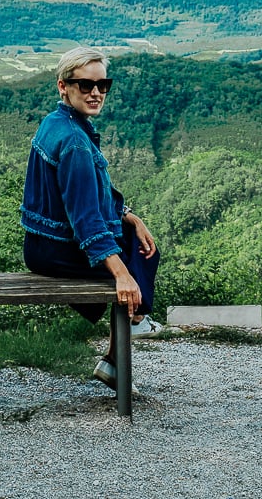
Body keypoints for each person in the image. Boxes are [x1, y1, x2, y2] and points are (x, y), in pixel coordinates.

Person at [20, 46, 162, 390]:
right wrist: (123, 277)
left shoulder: (59, 122)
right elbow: (86, 220)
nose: (96, 92)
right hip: (55, 250)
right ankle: (132, 322)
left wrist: (128, 216)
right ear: (63, 86)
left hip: (41, 243)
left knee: (140, 245)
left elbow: (94, 195)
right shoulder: (74, 143)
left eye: (102, 84)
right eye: (85, 85)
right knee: (135, 259)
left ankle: (120, 346)